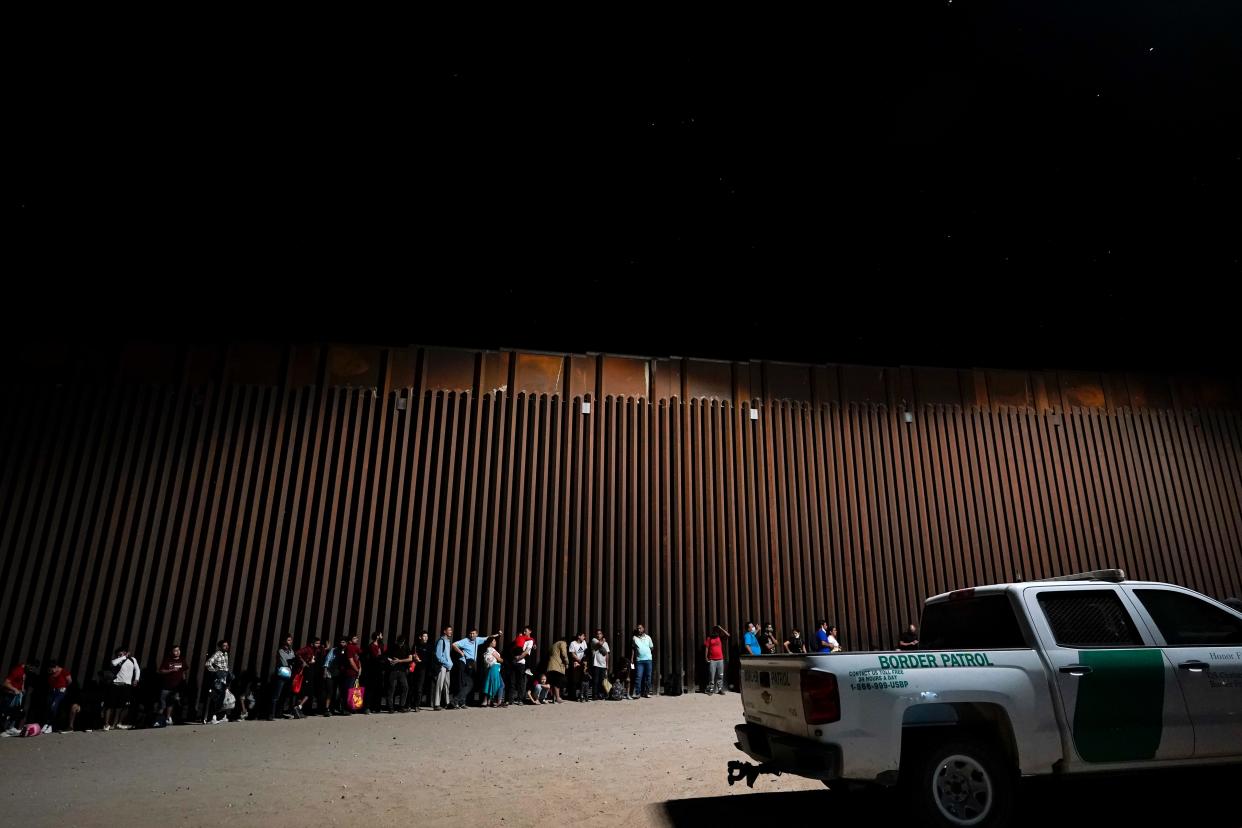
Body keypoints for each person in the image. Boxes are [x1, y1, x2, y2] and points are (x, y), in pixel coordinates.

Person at [453, 626, 501, 709]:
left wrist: (498, 635)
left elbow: (488, 637)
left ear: (476, 634)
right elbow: (454, 644)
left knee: (468, 683)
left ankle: (462, 702)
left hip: (473, 663)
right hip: (467, 662)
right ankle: (456, 700)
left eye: (473, 634)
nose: (472, 635)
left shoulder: (477, 640)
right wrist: (461, 652)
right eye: (470, 633)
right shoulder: (465, 641)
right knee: (468, 683)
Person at [104, 648, 140, 730]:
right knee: (110, 705)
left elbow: (137, 669)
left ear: (127, 653)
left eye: (123, 653)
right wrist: (123, 657)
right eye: (119, 654)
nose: (121, 655)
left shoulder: (133, 659)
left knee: (123, 706)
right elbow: (113, 663)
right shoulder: (117, 660)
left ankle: (117, 724)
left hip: (126, 685)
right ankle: (106, 724)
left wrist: (136, 679)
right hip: (115, 685)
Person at [157, 645, 189, 727]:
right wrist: (171, 670)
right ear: (172, 652)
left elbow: (183, 672)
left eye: (179, 650)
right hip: (166, 685)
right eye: (175, 650)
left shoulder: (182, 660)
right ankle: (158, 719)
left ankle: (168, 718)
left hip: (177, 686)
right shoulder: (167, 660)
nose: (177, 652)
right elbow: (161, 671)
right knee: (162, 703)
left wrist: (184, 682)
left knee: (171, 703)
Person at [203, 640, 231, 724]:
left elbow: (225, 666)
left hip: (224, 678)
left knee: (222, 698)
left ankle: (220, 716)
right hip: (218, 679)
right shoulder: (217, 654)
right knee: (215, 697)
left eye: (227, 645)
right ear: (220, 647)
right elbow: (208, 663)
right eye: (224, 646)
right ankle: (211, 717)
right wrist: (215, 672)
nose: (226, 647)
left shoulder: (225, 654)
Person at [271, 634, 298, 720]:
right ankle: (271, 714)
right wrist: (293, 661)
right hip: (281, 675)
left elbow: (293, 660)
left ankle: (279, 713)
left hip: (289, 675)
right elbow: (284, 662)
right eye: (288, 640)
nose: (290, 642)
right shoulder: (281, 651)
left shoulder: (291, 651)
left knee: (284, 695)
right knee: (276, 695)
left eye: (291, 640)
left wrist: (293, 661)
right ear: (284, 641)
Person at [385, 634, 414, 712]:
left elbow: (410, 658)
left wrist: (399, 661)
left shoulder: (406, 647)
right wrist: (390, 660)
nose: (401, 644)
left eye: (402, 642)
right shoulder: (393, 647)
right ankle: (390, 707)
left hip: (402, 671)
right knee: (392, 688)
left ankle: (401, 706)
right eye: (400, 642)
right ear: (397, 641)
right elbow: (386, 656)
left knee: (405, 687)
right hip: (393, 670)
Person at [44, 660, 74, 733]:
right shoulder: (51, 672)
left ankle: (51, 724)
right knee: (49, 705)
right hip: (53, 691)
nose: (52, 670)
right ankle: (47, 724)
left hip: (61, 691)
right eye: (51, 669)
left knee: (54, 706)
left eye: (53, 668)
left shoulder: (64, 671)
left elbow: (70, 681)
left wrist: (63, 687)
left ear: (57, 667)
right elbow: (50, 681)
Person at [509, 626, 535, 706]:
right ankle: (511, 699)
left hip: (522, 662)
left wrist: (518, 658)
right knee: (512, 681)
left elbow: (526, 652)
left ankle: (520, 699)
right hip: (515, 662)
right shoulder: (521, 639)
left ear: (530, 631)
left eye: (525, 631)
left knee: (521, 682)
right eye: (523, 631)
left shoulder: (530, 641)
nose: (524, 633)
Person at [338, 634, 363, 714]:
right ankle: (345, 708)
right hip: (350, 672)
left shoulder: (356, 648)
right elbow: (351, 660)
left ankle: (353, 707)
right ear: (350, 640)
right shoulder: (349, 647)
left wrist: (360, 668)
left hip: (355, 672)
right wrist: (357, 669)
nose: (357, 639)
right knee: (348, 690)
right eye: (354, 638)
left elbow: (358, 659)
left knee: (354, 690)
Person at [2, 659, 28, 736]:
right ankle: (2, 730)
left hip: (17, 696)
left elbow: (21, 683)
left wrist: (22, 690)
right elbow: (6, 683)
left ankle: (11, 727)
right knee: (6, 712)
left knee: (16, 712)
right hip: (10, 695)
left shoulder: (23, 672)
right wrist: (15, 689)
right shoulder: (17, 670)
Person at [630, 624, 654, 699]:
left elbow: (651, 647)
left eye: (640, 628)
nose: (639, 629)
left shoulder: (648, 637)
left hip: (648, 660)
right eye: (638, 628)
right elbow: (633, 649)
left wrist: (647, 653)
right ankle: (638, 693)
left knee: (648, 677)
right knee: (638, 676)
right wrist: (632, 658)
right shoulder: (634, 638)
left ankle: (647, 692)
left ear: (643, 629)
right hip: (639, 660)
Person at [433, 626, 454, 710]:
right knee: (440, 684)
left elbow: (447, 655)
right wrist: (447, 663)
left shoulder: (448, 641)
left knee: (446, 685)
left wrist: (450, 663)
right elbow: (438, 656)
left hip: (448, 666)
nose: (451, 632)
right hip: (442, 666)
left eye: (451, 630)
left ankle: (447, 703)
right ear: (444, 631)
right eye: (449, 630)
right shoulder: (441, 641)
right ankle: (436, 704)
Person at [365, 631, 386, 713]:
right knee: (371, 689)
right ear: (377, 636)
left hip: (379, 670)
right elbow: (375, 657)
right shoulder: (372, 646)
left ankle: (376, 706)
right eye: (381, 635)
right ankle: (368, 707)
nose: (382, 636)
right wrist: (380, 656)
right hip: (373, 670)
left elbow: (382, 655)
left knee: (379, 688)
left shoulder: (381, 645)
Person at [704, 625, 729, 694]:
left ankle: (720, 689)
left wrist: (721, 628)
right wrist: (706, 657)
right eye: (715, 631)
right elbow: (707, 648)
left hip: (720, 659)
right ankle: (711, 689)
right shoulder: (709, 638)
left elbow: (728, 635)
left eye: (717, 631)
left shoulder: (720, 637)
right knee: (712, 675)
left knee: (720, 675)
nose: (715, 633)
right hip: (712, 659)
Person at [481, 637, 505, 708]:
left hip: (493, 668)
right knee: (496, 684)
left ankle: (488, 701)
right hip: (494, 667)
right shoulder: (491, 649)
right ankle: (495, 702)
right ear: (490, 643)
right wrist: (502, 660)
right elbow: (499, 659)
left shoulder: (488, 650)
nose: (495, 642)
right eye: (494, 641)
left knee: (493, 683)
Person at [412, 630, 433, 711]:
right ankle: (411, 704)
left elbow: (430, 658)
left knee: (420, 687)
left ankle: (417, 705)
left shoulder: (429, 646)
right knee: (414, 686)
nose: (426, 638)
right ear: (420, 637)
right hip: (415, 668)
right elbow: (412, 654)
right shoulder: (416, 645)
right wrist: (414, 657)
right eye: (424, 636)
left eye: (426, 636)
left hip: (424, 669)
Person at [545, 637, 569, 703]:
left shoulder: (553, 645)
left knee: (553, 682)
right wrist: (567, 662)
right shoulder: (562, 643)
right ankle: (558, 698)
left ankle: (554, 698)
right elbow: (564, 654)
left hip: (551, 665)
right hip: (557, 666)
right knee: (557, 682)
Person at [568, 632, 590, 701]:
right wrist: (578, 660)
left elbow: (586, 652)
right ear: (579, 636)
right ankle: (573, 696)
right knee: (575, 680)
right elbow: (572, 654)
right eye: (583, 636)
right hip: (576, 663)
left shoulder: (584, 642)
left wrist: (585, 662)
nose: (584, 637)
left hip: (582, 663)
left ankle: (581, 696)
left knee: (582, 680)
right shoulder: (573, 643)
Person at [589, 629, 609, 701]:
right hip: (596, 663)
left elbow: (607, 655)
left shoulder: (606, 644)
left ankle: (601, 694)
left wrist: (607, 665)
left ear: (602, 635)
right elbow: (600, 644)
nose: (598, 635)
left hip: (603, 664)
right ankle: (595, 695)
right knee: (595, 680)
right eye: (597, 634)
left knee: (602, 681)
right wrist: (603, 640)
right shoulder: (594, 640)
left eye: (600, 634)